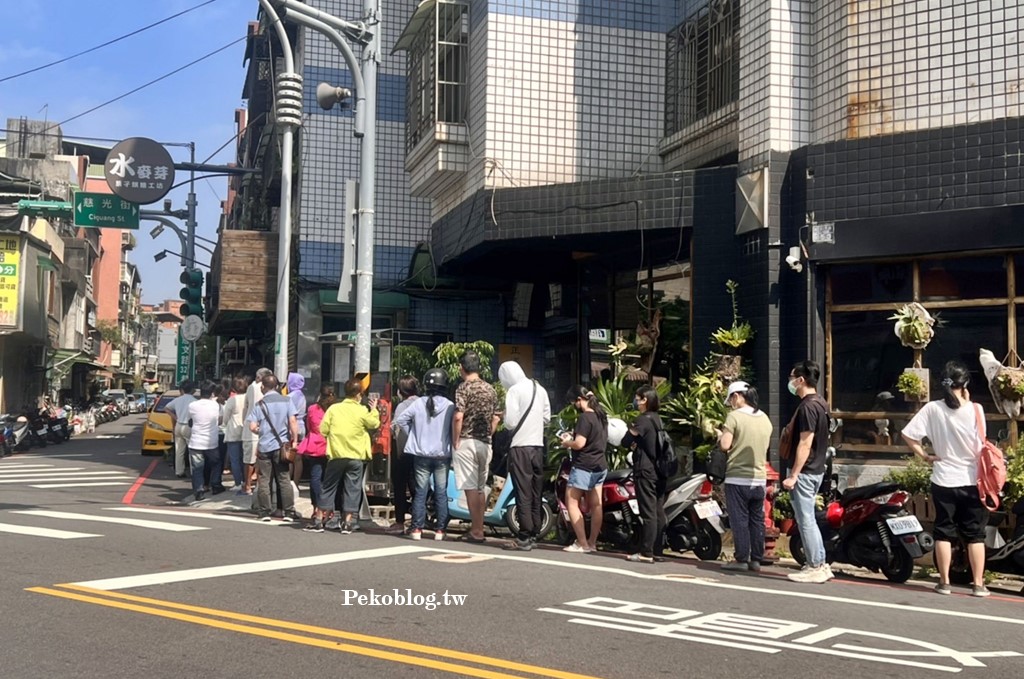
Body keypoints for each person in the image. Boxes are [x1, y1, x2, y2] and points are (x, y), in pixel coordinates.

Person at [901, 361, 990, 597]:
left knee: (943, 531)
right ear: (965, 385)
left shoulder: (932, 409)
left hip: (943, 478)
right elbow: (981, 446)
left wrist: (925, 456)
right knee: (975, 534)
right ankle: (979, 584)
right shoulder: (976, 410)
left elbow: (908, 434)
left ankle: (944, 582)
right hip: (972, 480)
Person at [782, 360, 834, 584]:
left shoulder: (807, 407)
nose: (790, 382)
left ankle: (815, 565)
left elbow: (805, 443)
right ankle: (820, 562)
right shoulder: (821, 403)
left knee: (805, 520)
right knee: (808, 518)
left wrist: (794, 474)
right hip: (817, 469)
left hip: (805, 471)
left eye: (792, 377)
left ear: (801, 380)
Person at [393, 368, 454, 541]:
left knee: (420, 491)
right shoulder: (450, 405)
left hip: (420, 454)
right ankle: (440, 530)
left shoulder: (418, 403)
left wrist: (413, 434)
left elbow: (401, 420)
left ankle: (416, 529)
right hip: (442, 455)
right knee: (441, 492)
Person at [717, 381, 772, 572]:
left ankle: (741, 559)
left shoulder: (734, 417)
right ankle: (756, 559)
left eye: (731, 398)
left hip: (737, 477)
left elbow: (725, 445)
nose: (731, 403)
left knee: (739, 520)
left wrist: (719, 435)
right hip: (759, 478)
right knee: (757, 520)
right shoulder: (765, 418)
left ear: (738, 396)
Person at [499, 360, 551, 551]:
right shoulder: (540, 389)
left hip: (520, 447)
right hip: (538, 446)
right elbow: (546, 418)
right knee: (536, 490)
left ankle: (524, 535)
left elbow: (511, 423)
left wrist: (504, 417)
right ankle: (535, 531)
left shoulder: (514, 391)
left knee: (523, 491)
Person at [319, 377, 381, 533]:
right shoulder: (362, 410)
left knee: (328, 487)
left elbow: (323, 429)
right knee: (352, 488)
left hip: (336, 454)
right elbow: (374, 424)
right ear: (359, 394)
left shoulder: (334, 409)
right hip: (356, 456)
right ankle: (348, 523)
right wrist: (373, 409)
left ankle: (319, 519)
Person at [452, 350, 500, 543]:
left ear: (461, 368)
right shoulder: (491, 389)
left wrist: (456, 439)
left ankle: (477, 530)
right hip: (485, 444)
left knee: (470, 488)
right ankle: (478, 528)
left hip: (467, 442)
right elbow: (496, 417)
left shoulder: (463, 388)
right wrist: (488, 434)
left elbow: (458, 416)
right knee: (480, 488)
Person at [558, 385, 609, 553]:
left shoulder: (585, 418)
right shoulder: (602, 417)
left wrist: (567, 442)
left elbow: (580, 444)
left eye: (574, 402)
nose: (574, 405)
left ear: (579, 400)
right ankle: (592, 543)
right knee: (596, 505)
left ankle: (582, 543)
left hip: (584, 465)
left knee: (571, 502)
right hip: (600, 465)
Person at [621, 384, 668, 563]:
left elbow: (626, 440)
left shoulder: (642, 420)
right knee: (658, 511)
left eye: (637, 398)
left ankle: (646, 552)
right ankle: (657, 550)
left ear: (644, 400)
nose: (636, 401)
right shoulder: (658, 419)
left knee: (648, 511)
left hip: (646, 470)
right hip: (660, 470)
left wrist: (632, 441)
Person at [246, 374, 300, 522]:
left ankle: (264, 512)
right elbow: (293, 422)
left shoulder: (260, 404)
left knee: (264, 480)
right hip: (282, 446)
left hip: (264, 447)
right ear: (276, 386)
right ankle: (289, 512)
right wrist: (294, 440)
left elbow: (252, 426)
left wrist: (260, 430)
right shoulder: (287, 401)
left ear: (263, 387)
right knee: (284, 479)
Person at [299, 385, 335, 532]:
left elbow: (309, 425)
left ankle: (316, 508)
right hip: (330, 445)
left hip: (314, 445)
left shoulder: (313, 408)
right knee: (330, 480)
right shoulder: (334, 409)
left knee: (315, 478)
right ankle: (329, 509)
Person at [387, 375, 420, 534]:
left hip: (403, 450)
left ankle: (400, 521)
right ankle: (417, 520)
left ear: (401, 391)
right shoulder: (423, 403)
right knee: (417, 486)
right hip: (421, 451)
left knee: (400, 485)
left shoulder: (402, 406)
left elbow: (395, 426)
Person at [186, 380, 223, 502]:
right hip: (211, 441)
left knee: (197, 468)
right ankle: (216, 485)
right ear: (212, 393)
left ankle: (199, 490)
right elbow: (220, 421)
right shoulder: (216, 406)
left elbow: (189, 421)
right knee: (216, 464)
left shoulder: (192, 405)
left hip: (196, 441)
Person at [242, 368, 272, 495]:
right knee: (255, 459)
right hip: (259, 428)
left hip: (254, 428)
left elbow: (247, 406)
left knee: (252, 460)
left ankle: (249, 486)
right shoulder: (256, 387)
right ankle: (252, 485)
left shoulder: (252, 387)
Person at [222, 377, 248, 493]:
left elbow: (225, 417)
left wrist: (224, 423)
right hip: (246, 431)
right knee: (245, 459)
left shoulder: (232, 400)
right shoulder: (248, 397)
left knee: (235, 459)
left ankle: (238, 482)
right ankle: (245, 481)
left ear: (234, 388)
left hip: (233, 431)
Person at [166, 380, 196, 479]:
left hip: (178, 425)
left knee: (179, 450)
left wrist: (175, 417)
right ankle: (193, 471)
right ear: (193, 390)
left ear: (183, 389)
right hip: (188, 426)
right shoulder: (194, 401)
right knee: (192, 450)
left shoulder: (178, 400)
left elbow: (166, 408)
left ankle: (179, 471)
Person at [286, 372, 308, 490]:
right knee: (298, 457)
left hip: (292, 427)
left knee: (289, 456)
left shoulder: (290, 397)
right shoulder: (302, 395)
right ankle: (296, 483)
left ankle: (288, 483)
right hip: (302, 427)